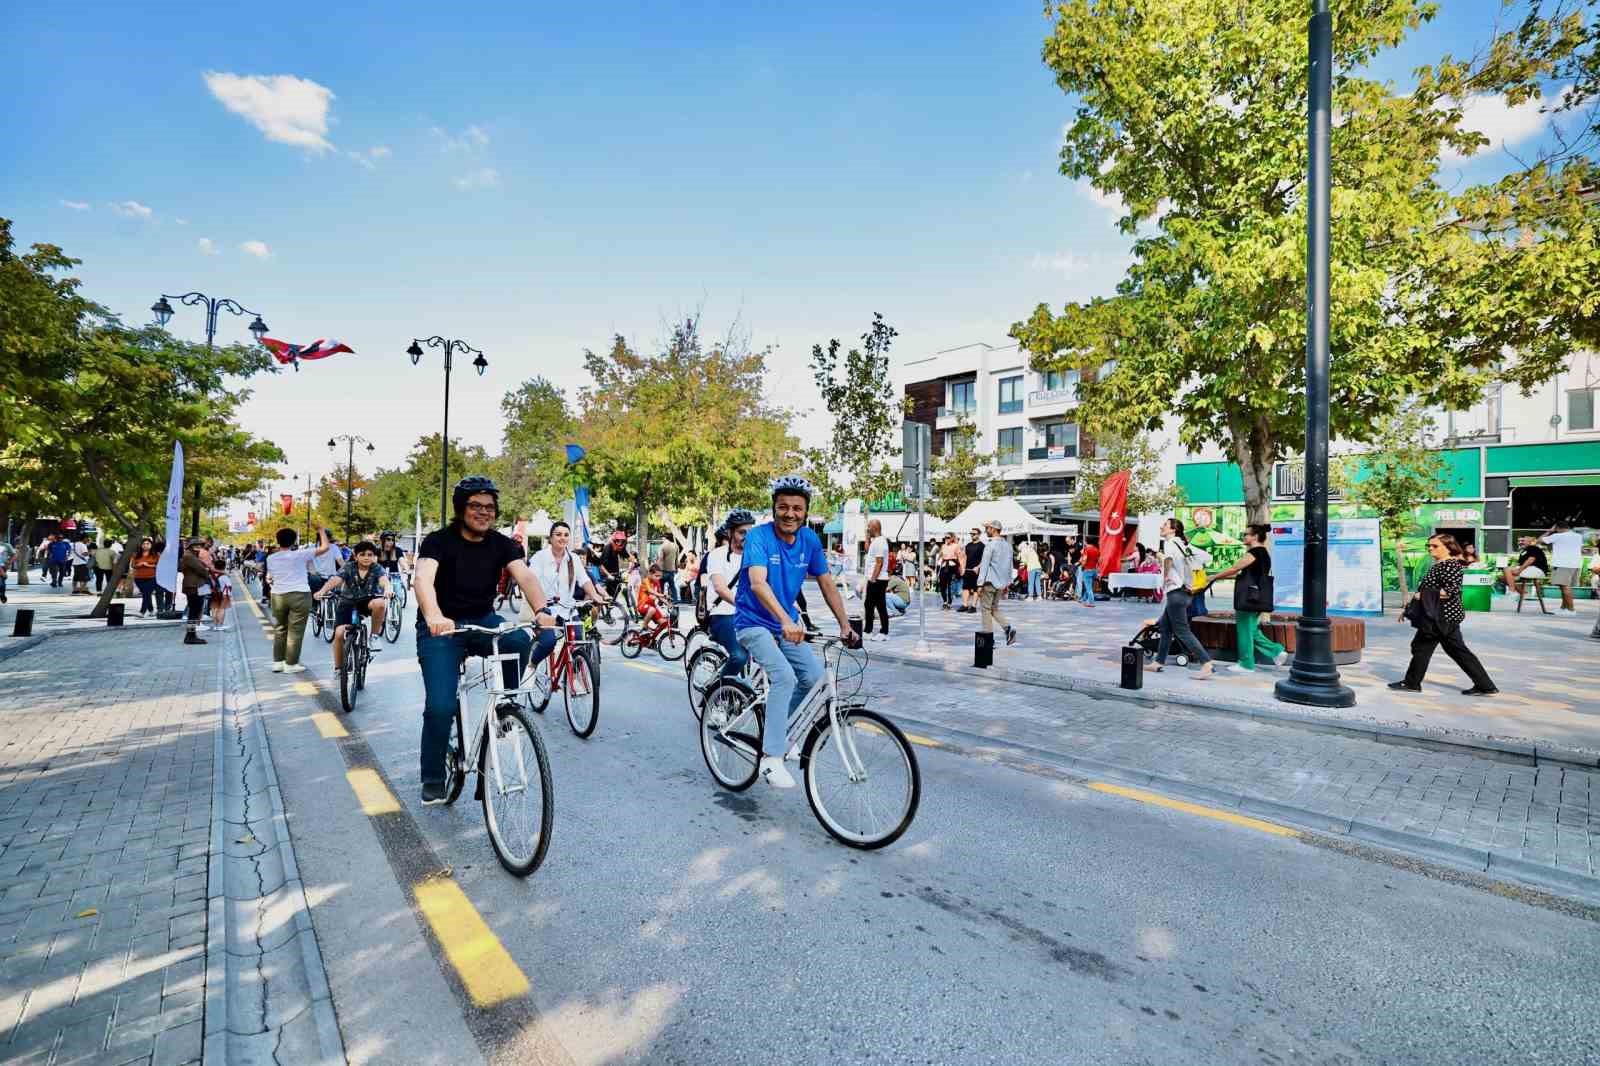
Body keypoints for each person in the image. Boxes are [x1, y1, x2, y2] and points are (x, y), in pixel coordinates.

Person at [414, 476, 555, 805]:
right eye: (475, 506)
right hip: (442, 628)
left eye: (489, 508)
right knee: (441, 706)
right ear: (461, 509)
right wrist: (434, 616)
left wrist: (542, 609)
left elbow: (526, 576)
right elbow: (423, 579)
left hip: (482, 620)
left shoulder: (503, 544)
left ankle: (505, 704)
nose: (483, 512)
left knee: (519, 640)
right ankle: (433, 777)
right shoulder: (438, 541)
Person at [734, 475, 860, 789]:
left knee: (814, 679)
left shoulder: (810, 541)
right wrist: (786, 621)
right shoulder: (758, 537)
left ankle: (780, 735)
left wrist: (845, 625)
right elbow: (758, 582)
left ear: (805, 512)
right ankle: (771, 758)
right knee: (785, 677)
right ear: (774, 508)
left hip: (786, 624)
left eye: (797, 508)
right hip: (752, 623)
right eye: (783, 507)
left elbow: (827, 583)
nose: (790, 513)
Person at [1390, 533, 1497, 695]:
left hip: (1442, 617)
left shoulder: (1450, 565)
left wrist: (1423, 595)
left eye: (1435, 546)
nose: (1430, 549)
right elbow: (1426, 589)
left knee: (1425, 648)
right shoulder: (1441, 564)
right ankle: (1485, 685)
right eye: (1429, 546)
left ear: (1448, 547)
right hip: (1438, 616)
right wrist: (1409, 609)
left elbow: (1450, 591)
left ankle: (1412, 683)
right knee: (1446, 650)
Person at [1205, 523, 1289, 672]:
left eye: (1246, 534)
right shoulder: (1264, 553)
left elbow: (1234, 568)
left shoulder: (1254, 552)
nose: (1243, 537)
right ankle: (1276, 651)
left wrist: (1213, 577)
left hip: (1248, 598)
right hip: (1257, 597)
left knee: (1244, 629)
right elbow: (1248, 574)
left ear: (1255, 537)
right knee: (1252, 629)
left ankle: (1246, 664)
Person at [314, 540, 392, 672]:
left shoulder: (376, 568)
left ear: (374, 556)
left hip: (367, 602)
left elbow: (384, 580)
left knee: (380, 603)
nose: (366, 557)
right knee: (339, 634)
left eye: (370, 554)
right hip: (347, 603)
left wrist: (388, 589)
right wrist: (322, 591)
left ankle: (373, 636)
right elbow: (336, 580)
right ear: (356, 556)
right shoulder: (349, 567)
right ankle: (339, 668)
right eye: (362, 554)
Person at [521, 520, 609, 633]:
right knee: (548, 642)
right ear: (550, 538)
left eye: (566, 535)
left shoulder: (574, 559)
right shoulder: (539, 557)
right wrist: (539, 607)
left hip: (568, 610)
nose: (562, 538)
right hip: (544, 610)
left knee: (578, 641)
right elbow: (530, 583)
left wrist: (594, 595)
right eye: (558, 534)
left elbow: (584, 580)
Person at [1152, 517, 1213, 678]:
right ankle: (1158, 662)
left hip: (1176, 592)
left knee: (1182, 630)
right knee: (1165, 627)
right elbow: (1207, 558)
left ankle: (1206, 664)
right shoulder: (1184, 544)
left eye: (1165, 525)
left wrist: (1164, 572)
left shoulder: (1171, 543)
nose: (1161, 526)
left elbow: (1169, 561)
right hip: (1185, 592)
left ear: (1173, 529)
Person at [266, 527, 333, 672]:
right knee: (295, 631)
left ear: (278, 540)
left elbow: (270, 576)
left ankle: (277, 662)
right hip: (299, 594)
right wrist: (321, 531)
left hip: (278, 595)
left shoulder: (270, 558)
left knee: (280, 628)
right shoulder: (301, 554)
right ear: (294, 541)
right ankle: (291, 664)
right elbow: (325, 547)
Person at [705, 510, 754, 678]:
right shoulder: (717, 555)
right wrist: (744, 605)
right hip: (723, 615)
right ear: (730, 532)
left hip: (749, 616)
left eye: (750, 532)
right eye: (742, 532)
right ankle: (717, 692)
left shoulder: (756, 556)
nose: (747, 537)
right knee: (739, 657)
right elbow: (720, 587)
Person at [975, 519, 1017, 646]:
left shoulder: (990, 544)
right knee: (994, 608)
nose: (985, 531)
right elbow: (1009, 565)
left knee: (985, 610)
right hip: (1001, 582)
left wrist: (979, 584)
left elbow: (986, 564)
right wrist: (1008, 582)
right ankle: (1008, 629)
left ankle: (988, 640)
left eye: (987, 528)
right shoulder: (1007, 545)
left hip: (989, 582)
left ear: (993, 529)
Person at [1538, 521, 1584, 615]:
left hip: (1562, 564)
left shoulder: (1557, 536)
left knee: (1565, 587)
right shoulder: (1578, 536)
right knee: (1565, 587)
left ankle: (1571, 610)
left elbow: (1539, 540)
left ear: (1557, 528)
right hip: (1576, 564)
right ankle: (1564, 608)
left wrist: (1550, 531)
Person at [178, 540, 213, 645]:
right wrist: (206, 571)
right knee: (193, 612)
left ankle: (191, 634)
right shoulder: (189, 556)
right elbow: (201, 570)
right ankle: (190, 635)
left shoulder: (192, 555)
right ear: (190, 546)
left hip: (196, 585)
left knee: (195, 611)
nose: (198, 547)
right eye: (196, 545)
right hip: (193, 586)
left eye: (200, 545)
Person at [862, 518, 891, 641]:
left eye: (869, 527)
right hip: (876, 578)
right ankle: (869, 630)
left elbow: (879, 562)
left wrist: (873, 579)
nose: (868, 529)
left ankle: (882, 632)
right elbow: (867, 550)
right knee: (870, 605)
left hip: (878, 579)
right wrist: (867, 538)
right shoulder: (876, 541)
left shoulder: (880, 542)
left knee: (877, 605)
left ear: (874, 528)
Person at [1502, 535, 1549, 600]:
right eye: (1519, 541)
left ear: (1529, 542)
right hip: (1529, 569)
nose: (1520, 542)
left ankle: (1512, 592)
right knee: (1503, 578)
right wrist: (1514, 569)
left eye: (1523, 541)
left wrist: (1519, 570)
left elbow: (1530, 560)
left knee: (1506, 569)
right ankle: (1523, 593)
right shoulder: (1523, 551)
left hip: (1538, 570)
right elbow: (1520, 564)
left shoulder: (1532, 547)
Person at [130, 537, 160, 616]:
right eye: (144, 544)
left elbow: (159, 565)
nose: (145, 545)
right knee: (146, 594)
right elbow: (133, 565)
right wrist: (138, 565)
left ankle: (142, 612)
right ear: (141, 545)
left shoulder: (156, 554)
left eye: (148, 544)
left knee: (146, 593)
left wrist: (149, 565)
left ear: (151, 545)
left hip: (152, 577)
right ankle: (151, 610)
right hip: (139, 578)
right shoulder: (137, 554)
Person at [960, 527, 984, 613]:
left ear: (979, 535)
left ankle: (973, 606)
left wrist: (978, 567)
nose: (972, 535)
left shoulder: (982, 546)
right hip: (967, 569)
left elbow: (984, 559)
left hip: (976, 570)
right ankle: (965, 605)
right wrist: (962, 567)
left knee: (975, 588)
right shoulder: (968, 545)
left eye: (974, 534)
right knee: (965, 587)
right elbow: (964, 557)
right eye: (971, 534)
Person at [598, 530, 628, 600]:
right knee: (605, 597)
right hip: (606, 576)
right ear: (614, 540)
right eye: (617, 541)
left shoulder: (620, 548)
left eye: (621, 541)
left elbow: (628, 557)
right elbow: (601, 565)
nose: (619, 543)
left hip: (615, 575)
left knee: (616, 592)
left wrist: (635, 562)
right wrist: (608, 575)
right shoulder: (608, 547)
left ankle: (610, 606)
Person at [937, 534, 961, 610]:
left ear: (952, 538)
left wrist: (960, 567)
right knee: (942, 584)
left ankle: (949, 602)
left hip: (952, 565)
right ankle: (944, 601)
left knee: (950, 585)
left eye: (948, 537)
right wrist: (938, 563)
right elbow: (940, 556)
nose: (946, 539)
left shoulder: (956, 546)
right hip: (944, 565)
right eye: (945, 537)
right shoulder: (943, 546)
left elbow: (959, 557)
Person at [1077, 538, 1100, 606]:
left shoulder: (1087, 549)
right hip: (1094, 570)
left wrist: (1082, 566)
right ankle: (1083, 599)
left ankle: (1091, 602)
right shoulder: (1096, 549)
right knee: (1089, 586)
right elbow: (1098, 561)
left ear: (1086, 542)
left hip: (1087, 570)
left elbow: (1084, 559)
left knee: (1088, 587)